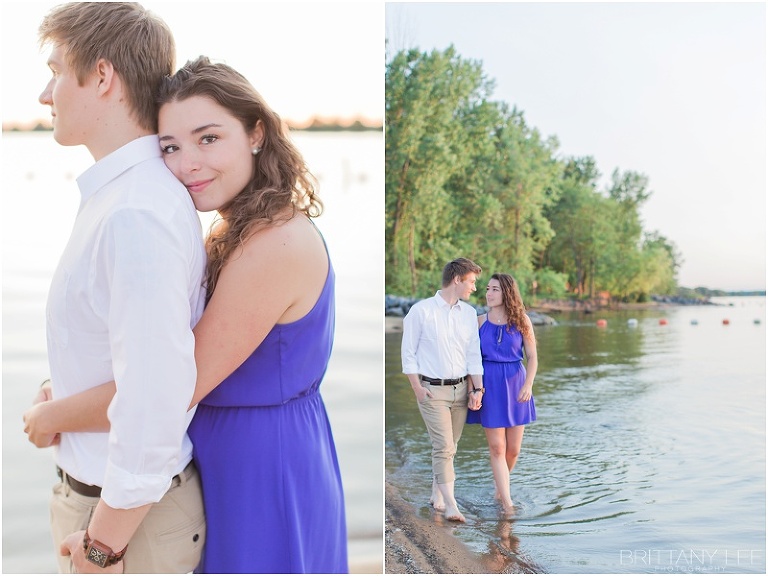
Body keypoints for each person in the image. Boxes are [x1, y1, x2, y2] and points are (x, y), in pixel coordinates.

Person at [24, 55, 348, 574]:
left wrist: (51, 416)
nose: (187, 163)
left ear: (257, 133)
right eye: (170, 147)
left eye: (209, 138)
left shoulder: (275, 243)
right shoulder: (232, 226)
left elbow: (175, 384)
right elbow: (157, 349)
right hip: (223, 452)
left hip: (263, 464)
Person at [28, 2, 207, 573]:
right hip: (113, 509)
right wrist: (61, 394)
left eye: (56, 70)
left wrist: (102, 546)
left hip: (126, 525)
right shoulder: (123, 197)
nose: (45, 93)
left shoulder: (136, 211)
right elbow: (127, 353)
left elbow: (155, 395)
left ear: (102, 76)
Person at [400, 258, 485, 523]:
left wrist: (477, 389)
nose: (474, 288)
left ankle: (437, 492)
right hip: (431, 391)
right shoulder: (421, 311)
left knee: (451, 447)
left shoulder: (469, 314)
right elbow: (408, 354)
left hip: (461, 390)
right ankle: (451, 504)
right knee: (444, 446)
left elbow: (473, 356)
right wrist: (417, 388)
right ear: (457, 279)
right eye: (471, 281)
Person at [466, 273, 538, 516]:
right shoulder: (478, 321)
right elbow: (470, 359)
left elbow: (533, 357)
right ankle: (507, 503)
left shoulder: (522, 321)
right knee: (497, 447)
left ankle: (500, 488)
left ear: (506, 292)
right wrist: (473, 389)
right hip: (490, 385)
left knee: (513, 450)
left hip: (517, 382)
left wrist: (528, 385)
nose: (488, 293)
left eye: (494, 289)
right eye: (487, 288)